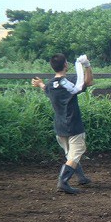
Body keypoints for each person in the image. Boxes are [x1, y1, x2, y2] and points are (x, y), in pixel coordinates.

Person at [32, 53, 93, 194]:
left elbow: (44, 88)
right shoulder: (70, 81)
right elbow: (88, 82)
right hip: (73, 124)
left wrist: (40, 83)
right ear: (66, 65)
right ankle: (63, 182)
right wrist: (87, 66)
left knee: (70, 154)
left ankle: (81, 177)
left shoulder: (50, 85)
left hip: (59, 127)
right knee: (76, 153)